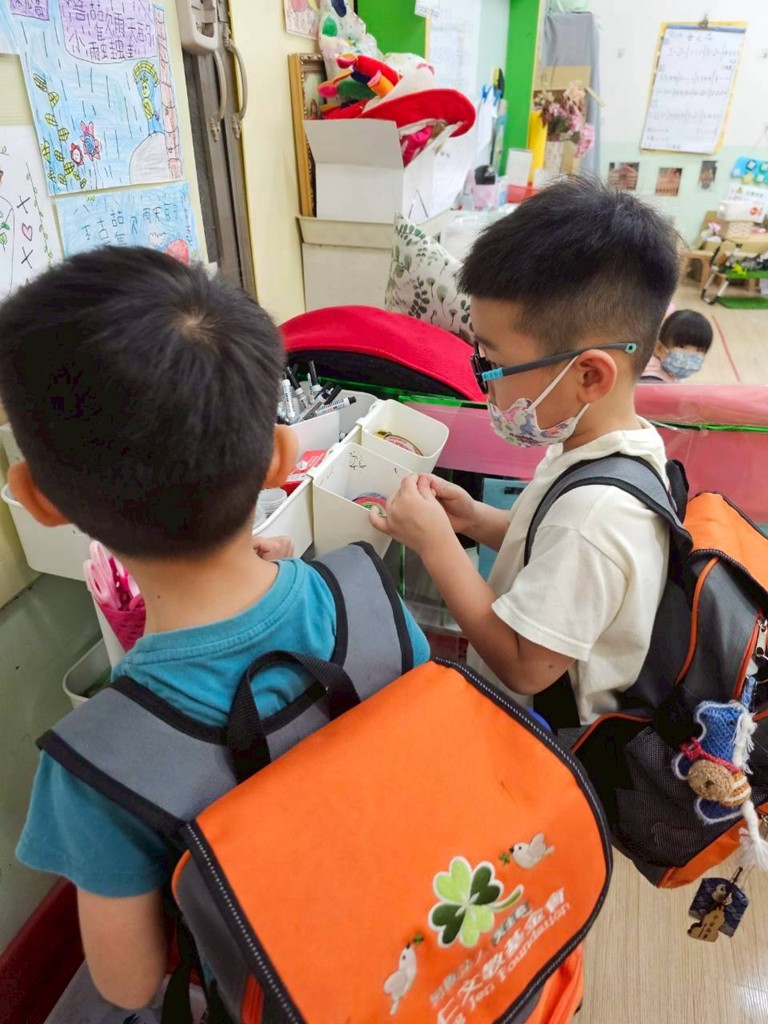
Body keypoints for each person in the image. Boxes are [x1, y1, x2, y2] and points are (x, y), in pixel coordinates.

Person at [0, 247, 429, 1010]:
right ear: (281, 458)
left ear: (38, 500)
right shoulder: (369, 593)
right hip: (417, 939)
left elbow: (129, 982)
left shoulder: (98, 760)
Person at [370, 177, 680, 726]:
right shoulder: (606, 445)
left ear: (589, 376)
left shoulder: (595, 521)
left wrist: (436, 544)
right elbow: (542, 537)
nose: (484, 383)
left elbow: (523, 665)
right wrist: (473, 518)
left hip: (545, 743)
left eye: (492, 364)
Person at [640, 309, 713, 382]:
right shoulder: (650, 379)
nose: (690, 355)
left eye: (699, 350)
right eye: (682, 346)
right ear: (659, 349)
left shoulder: (668, 373)